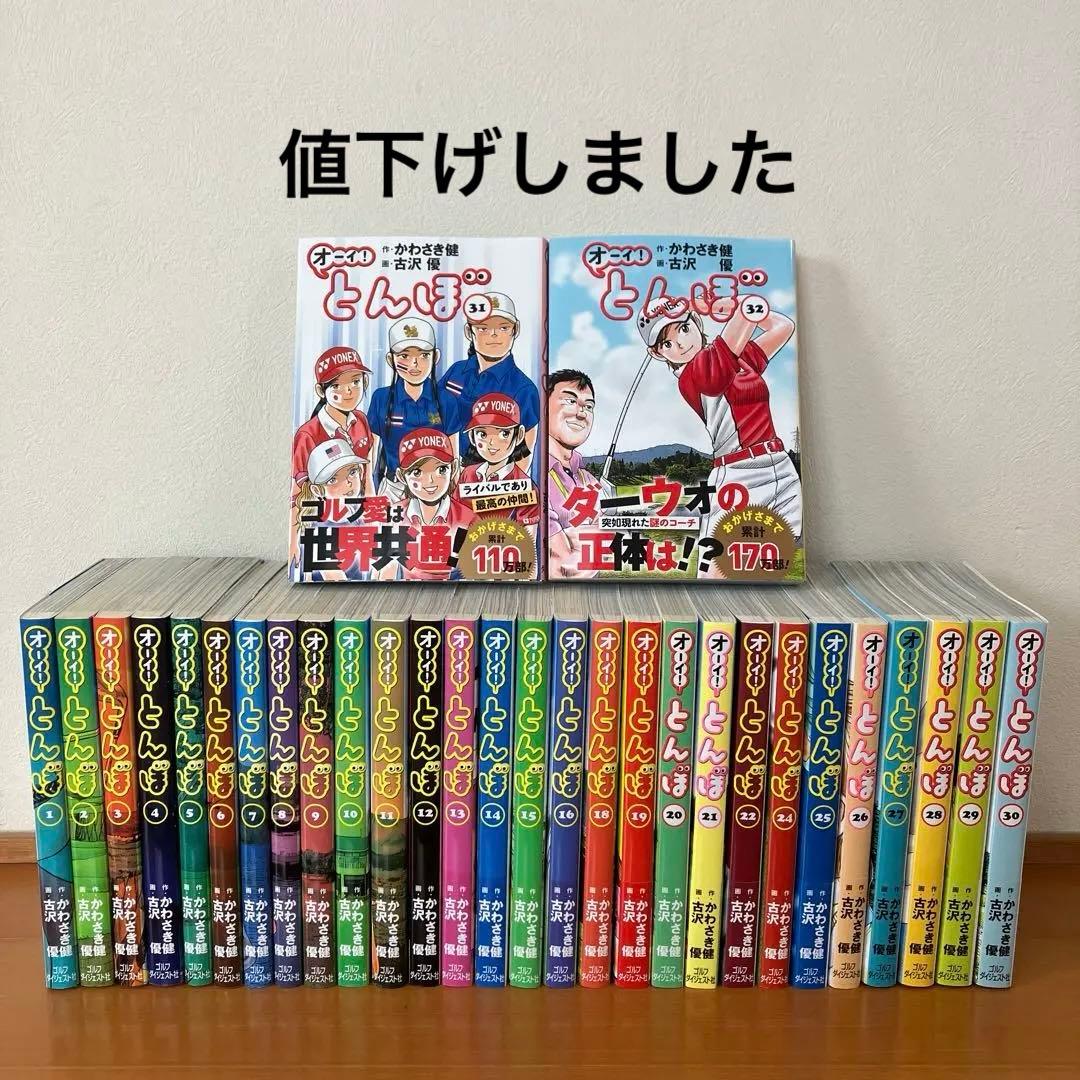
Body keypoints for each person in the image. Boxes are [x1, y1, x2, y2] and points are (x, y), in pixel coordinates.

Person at [639, 301, 801, 575]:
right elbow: (747, 314)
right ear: (657, 353)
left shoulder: (737, 358)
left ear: (696, 323)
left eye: (684, 328)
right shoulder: (693, 374)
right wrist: (740, 305)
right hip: (739, 477)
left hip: (781, 468)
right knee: (717, 570)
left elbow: (783, 326)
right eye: (667, 343)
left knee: (771, 561)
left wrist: (726, 304)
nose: (681, 344)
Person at [439, 292, 539, 475]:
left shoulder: (524, 389)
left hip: (487, 479)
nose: (493, 334)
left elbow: (523, 458)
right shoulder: (455, 372)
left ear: (515, 329)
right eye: (483, 328)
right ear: (469, 331)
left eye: (503, 327)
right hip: (441, 472)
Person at [368, 316, 463, 496]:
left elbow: (454, 456)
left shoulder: (446, 400)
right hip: (394, 488)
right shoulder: (381, 398)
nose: (415, 364)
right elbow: (371, 454)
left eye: (424, 355)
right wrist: (369, 493)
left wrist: (453, 494)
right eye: (404, 356)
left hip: (436, 487)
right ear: (390, 359)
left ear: (435, 357)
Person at [379, 428, 475, 581]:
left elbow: (473, 571)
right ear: (401, 477)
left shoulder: (467, 519)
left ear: (453, 469)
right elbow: (386, 569)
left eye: (441, 470)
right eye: (417, 472)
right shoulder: (394, 514)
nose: (430, 481)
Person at [546, 369, 612, 579]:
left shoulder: (587, 478)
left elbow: (611, 539)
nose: (582, 413)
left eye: (589, 406)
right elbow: (562, 567)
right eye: (570, 401)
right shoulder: (531, 475)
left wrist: (576, 540)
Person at [291, 346, 375, 497]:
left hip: (359, 503)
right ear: (321, 391)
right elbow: (299, 489)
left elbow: (367, 474)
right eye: (336, 385)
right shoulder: (307, 434)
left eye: (355, 381)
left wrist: (371, 502)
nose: (348, 391)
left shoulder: (361, 420)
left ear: (365, 381)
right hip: (326, 508)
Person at [289, 439, 369, 581]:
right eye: (333, 480)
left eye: (352, 472)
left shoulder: (357, 512)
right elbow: (335, 578)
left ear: (361, 472)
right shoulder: (319, 531)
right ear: (317, 490)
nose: (348, 482)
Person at [457, 393, 540, 525]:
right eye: (482, 434)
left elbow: (529, 535)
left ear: (519, 435)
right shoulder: (468, 474)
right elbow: (455, 518)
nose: (492, 442)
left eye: (504, 433)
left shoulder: (526, 486)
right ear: (472, 437)